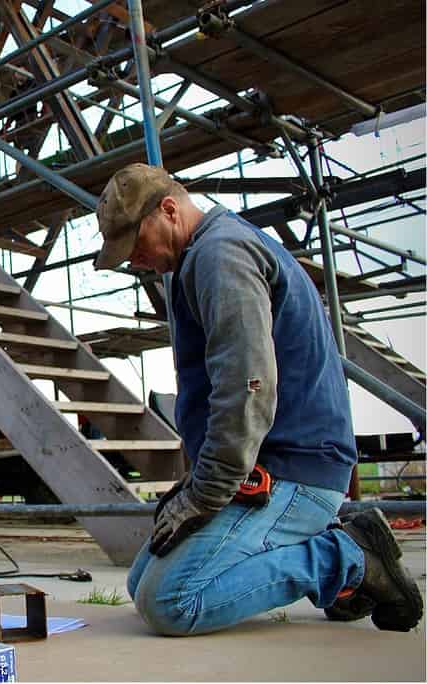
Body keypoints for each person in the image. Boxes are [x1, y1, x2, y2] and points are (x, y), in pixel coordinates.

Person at [93, 163, 422, 635]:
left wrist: (205, 492)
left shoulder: (219, 255)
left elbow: (247, 383)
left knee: (171, 601)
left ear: (168, 209)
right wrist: (197, 486)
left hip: (294, 470)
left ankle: (345, 557)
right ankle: (334, 566)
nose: (134, 260)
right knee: (142, 582)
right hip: (266, 466)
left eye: (135, 245)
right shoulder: (205, 253)